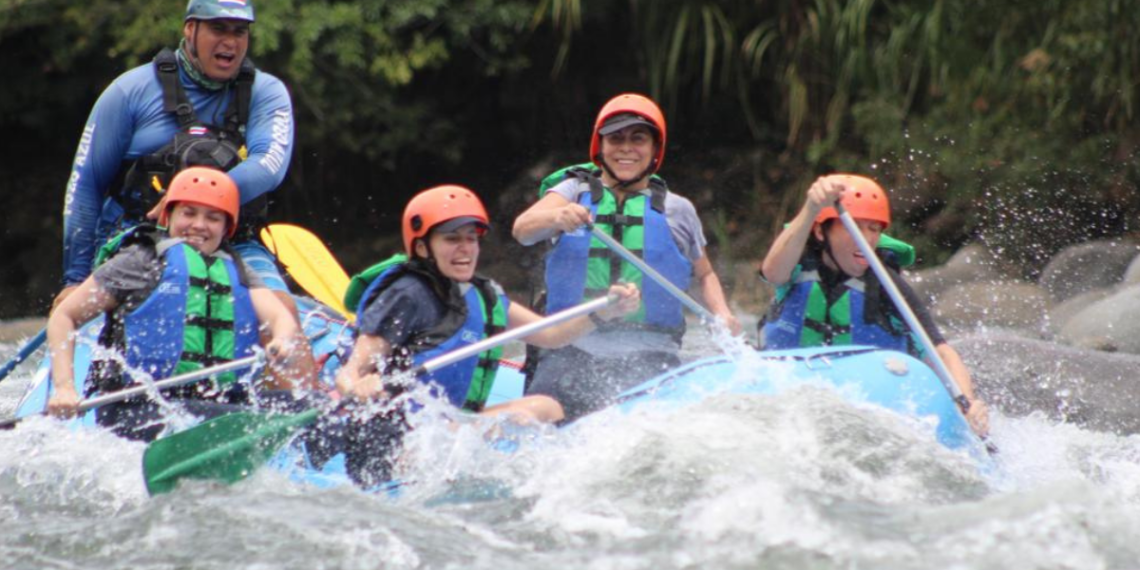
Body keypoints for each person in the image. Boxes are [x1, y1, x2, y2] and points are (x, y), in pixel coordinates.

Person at [333, 184, 640, 486]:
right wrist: (359, 385)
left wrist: (603, 313)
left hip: (448, 429)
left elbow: (552, 335)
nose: (465, 248)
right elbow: (349, 372)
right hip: (391, 441)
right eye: (452, 239)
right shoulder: (406, 294)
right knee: (439, 445)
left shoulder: (484, 295)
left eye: (471, 238)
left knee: (545, 408)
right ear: (423, 248)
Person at [511, 93, 740, 422]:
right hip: (571, 346)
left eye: (638, 138)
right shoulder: (571, 192)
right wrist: (557, 217)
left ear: (655, 149)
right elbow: (523, 230)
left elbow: (704, 274)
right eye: (616, 138)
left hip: (652, 351)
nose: (626, 148)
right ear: (600, 147)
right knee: (542, 419)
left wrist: (722, 313)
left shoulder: (678, 210)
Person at [57, 0, 295, 313]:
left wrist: (191, 197)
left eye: (239, 31)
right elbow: (86, 186)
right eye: (218, 29)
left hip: (232, 241)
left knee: (283, 311)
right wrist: (75, 278)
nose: (230, 42)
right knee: (160, 304)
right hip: (139, 237)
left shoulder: (267, 92)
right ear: (190, 29)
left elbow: (269, 166)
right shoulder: (129, 91)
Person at [46, 167, 317, 442]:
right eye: (189, 213)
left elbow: (281, 318)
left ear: (227, 228)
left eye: (213, 218)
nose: (199, 225)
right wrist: (64, 387)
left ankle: (318, 465)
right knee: (228, 421)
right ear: (169, 216)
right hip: (138, 407)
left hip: (219, 403)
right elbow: (64, 316)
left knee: (313, 408)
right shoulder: (140, 260)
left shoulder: (237, 269)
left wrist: (281, 340)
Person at [758, 173, 989, 436]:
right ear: (821, 232)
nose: (866, 239)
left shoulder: (886, 285)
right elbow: (772, 272)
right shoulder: (796, 266)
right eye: (855, 227)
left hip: (864, 408)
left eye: (874, 229)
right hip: (788, 395)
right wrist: (812, 208)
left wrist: (967, 403)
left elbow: (940, 351)